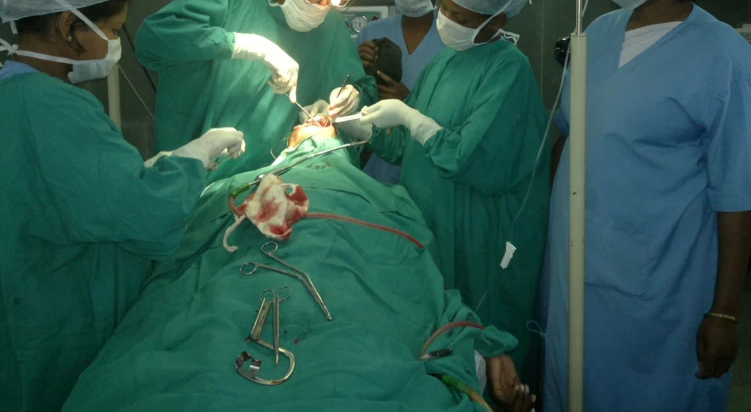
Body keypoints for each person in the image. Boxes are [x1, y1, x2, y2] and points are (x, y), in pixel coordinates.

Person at [63, 117, 538, 412]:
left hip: (356, 245)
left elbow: (414, 270)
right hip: (242, 258)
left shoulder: (381, 197)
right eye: (305, 125)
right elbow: (180, 238)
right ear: (286, 143)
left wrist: (477, 346)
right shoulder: (242, 181)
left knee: (372, 312)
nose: (314, 125)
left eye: (323, 125)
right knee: (209, 311)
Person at [0, 0, 246, 412]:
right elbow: (147, 216)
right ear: (68, 25)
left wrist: (144, 170)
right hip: (49, 324)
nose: (115, 45)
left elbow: (59, 191)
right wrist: (198, 152)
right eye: (112, 31)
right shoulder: (51, 107)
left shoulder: (15, 94)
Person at [542, 0, 751, 412]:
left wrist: (725, 312)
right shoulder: (600, 33)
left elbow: (736, 193)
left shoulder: (722, 55)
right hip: (577, 268)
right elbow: (568, 133)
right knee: (574, 382)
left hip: (660, 280)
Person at [357, 0, 550, 387]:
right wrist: (361, 126)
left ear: (496, 21)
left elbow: (472, 160)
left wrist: (409, 115)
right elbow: (406, 146)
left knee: (487, 347)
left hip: (482, 237)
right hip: (435, 226)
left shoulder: (509, 70)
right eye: (446, 7)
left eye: (462, 17)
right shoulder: (446, 60)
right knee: (440, 335)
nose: (448, 21)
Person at [136, 0, 377, 182]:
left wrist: (350, 99)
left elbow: (361, 90)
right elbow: (154, 39)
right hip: (210, 182)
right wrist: (244, 45)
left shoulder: (329, 23)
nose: (322, 5)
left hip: (296, 182)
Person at [356, 0, 450, 184]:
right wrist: (358, 69)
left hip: (428, 166)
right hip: (376, 166)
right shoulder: (372, 33)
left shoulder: (453, 42)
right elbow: (353, 97)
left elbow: (458, 118)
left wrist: (408, 102)